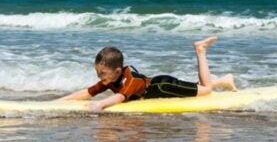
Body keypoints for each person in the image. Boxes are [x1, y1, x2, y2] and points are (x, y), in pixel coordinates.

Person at [58, 36, 237, 112]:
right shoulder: (109, 79)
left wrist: (100, 105)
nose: (99, 77)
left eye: (102, 73)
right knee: (199, 88)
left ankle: (200, 50)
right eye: (98, 73)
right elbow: (87, 92)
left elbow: (120, 98)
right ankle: (224, 80)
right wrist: (58, 102)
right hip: (158, 86)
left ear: (117, 71)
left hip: (163, 86)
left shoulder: (130, 79)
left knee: (205, 90)